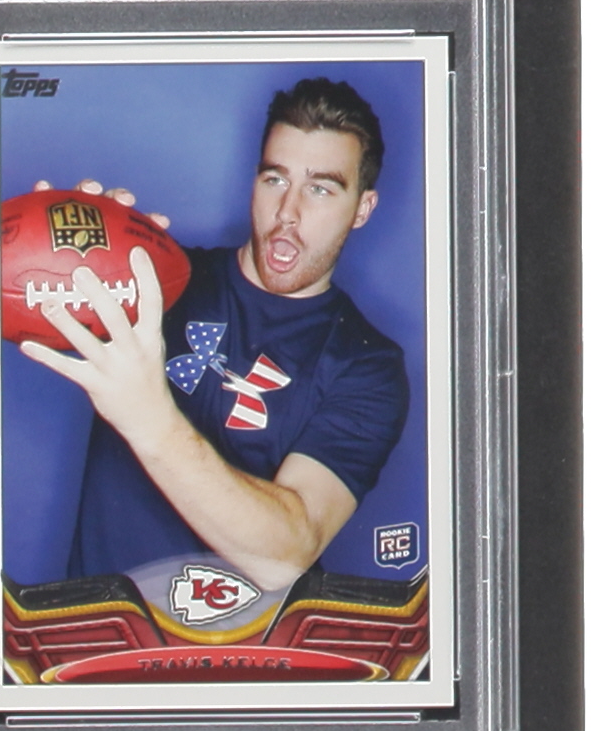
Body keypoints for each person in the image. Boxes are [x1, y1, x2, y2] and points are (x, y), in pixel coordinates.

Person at [22, 78, 409, 593]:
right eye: (274, 179)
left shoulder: (367, 366)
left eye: (320, 189)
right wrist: (51, 248)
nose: (287, 212)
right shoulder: (154, 283)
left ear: (362, 207)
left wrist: (150, 421)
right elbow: (5, 300)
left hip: (248, 645)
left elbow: (286, 554)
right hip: (100, 635)